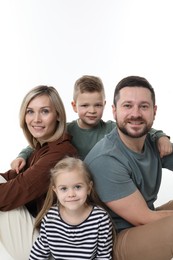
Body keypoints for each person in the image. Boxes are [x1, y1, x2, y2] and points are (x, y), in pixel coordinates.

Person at [84, 75, 173, 260]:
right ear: (114, 111)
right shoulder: (106, 159)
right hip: (114, 241)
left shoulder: (153, 142)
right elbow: (144, 218)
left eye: (143, 106)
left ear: (154, 111)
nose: (136, 113)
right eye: (127, 105)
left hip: (142, 225)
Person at [11, 75, 172, 173]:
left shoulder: (111, 128)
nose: (92, 111)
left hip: (104, 185)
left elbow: (139, 128)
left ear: (105, 104)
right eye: (85, 106)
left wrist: (161, 137)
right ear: (74, 106)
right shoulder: (66, 130)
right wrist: (22, 156)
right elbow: (39, 142)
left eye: (97, 105)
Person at [0, 85, 78, 260]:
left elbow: (16, 191)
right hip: (40, 238)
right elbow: (11, 177)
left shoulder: (60, 153)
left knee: (3, 201)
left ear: (58, 115)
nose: (36, 119)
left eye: (44, 111)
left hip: (49, 249)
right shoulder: (41, 150)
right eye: (30, 112)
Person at [29, 156, 114, 259]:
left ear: (89, 188)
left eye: (77, 187)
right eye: (64, 188)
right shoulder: (50, 218)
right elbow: (39, 252)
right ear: (55, 191)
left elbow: (103, 256)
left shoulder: (100, 219)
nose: (71, 194)